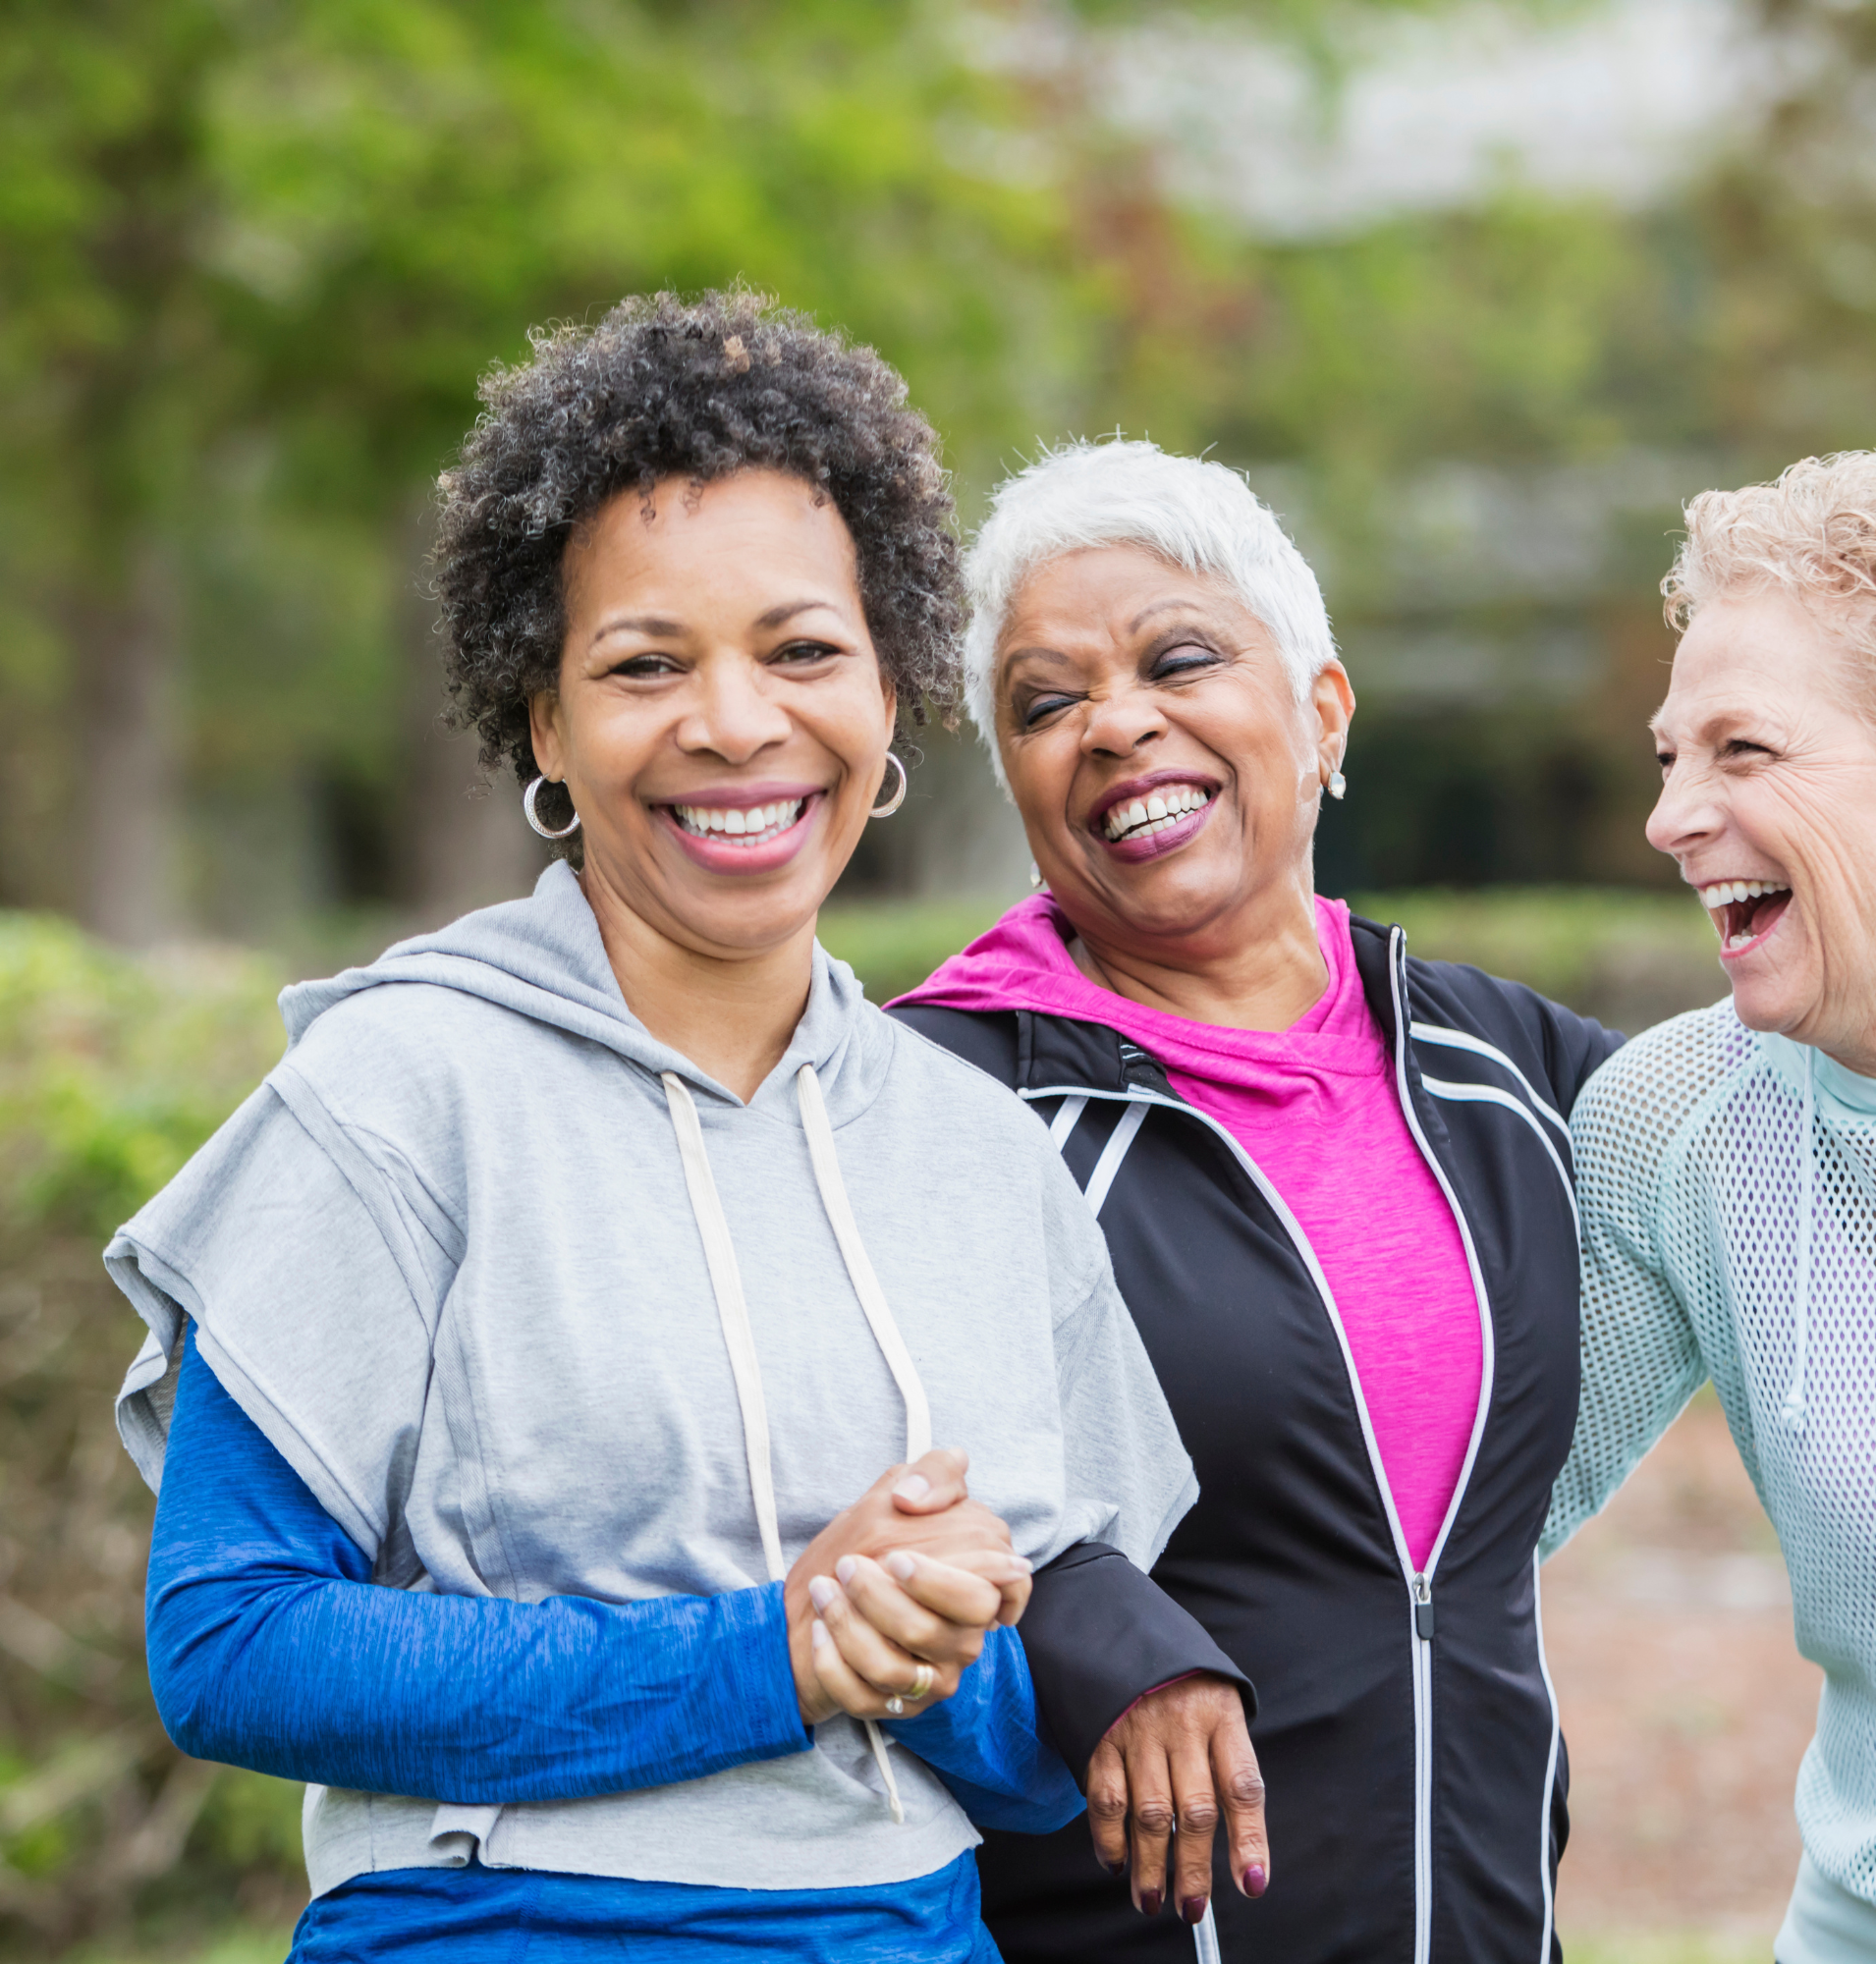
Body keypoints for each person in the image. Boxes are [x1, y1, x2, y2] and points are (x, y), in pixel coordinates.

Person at [108, 296, 1200, 1964]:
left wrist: (950, 1647)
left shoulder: (977, 1154)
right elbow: (230, 1646)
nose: (737, 724)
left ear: (891, 691)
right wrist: (781, 1653)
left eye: (801, 650)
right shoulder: (401, 1093)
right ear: (543, 723)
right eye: (644, 665)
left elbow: (1029, 1744)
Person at [889, 439, 1622, 1962]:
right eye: (1046, 702)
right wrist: (1089, 1618)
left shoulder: (1508, 1065)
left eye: (1180, 657)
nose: (1117, 723)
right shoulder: (933, 1095)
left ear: (1322, 708)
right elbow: (839, 1460)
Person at [1544, 453, 1876, 1964]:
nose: (1671, 817)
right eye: (1670, 756)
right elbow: (1455, 1519)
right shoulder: (1672, 1122)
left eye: (1742, 751)